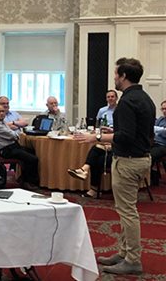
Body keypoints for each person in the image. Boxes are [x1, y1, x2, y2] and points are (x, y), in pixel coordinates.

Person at [74, 57, 154, 275]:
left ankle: (133, 260)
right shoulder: (145, 98)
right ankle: (124, 252)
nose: (114, 78)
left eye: (116, 74)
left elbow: (126, 137)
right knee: (127, 209)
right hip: (139, 158)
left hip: (128, 161)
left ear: (124, 76)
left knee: (127, 212)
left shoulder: (128, 102)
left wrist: (96, 137)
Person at [67, 91, 119, 198]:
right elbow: (97, 125)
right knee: (96, 155)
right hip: (104, 139)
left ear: (116, 98)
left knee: (95, 155)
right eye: (108, 97)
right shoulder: (102, 111)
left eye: (112, 97)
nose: (110, 99)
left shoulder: (120, 111)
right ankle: (88, 176)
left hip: (117, 143)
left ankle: (85, 172)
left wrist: (111, 130)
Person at [0, 104, 39, 190]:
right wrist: (16, 133)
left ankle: (24, 177)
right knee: (33, 159)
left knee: (32, 151)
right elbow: (13, 135)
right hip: (6, 150)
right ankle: (30, 182)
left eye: (3, 111)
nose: (1, 113)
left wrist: (15, 133)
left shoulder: (2, 122)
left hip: (12, 146)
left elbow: (13, 134)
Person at [150, 100, 166, 186]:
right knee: (141, 153)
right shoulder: (160, 119)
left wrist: (158, 130)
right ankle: (152, 175)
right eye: (162, 109)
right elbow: (153, 129)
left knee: (150, 156)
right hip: (154, 143)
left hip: (163, 145)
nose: (164, 111)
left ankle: (153, 176)